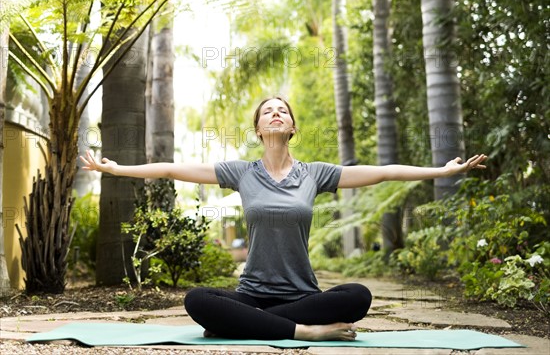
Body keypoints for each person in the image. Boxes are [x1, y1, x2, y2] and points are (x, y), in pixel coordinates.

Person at [81, 96, 487, 342]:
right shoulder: (241, 173)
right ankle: (301, 332)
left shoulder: (315, 173)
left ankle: (245, 326)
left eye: (282, 111)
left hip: (302, 296)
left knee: (358, 296)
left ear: (291, 126)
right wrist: (118, 171)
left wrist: (441, 172)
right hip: (254, 293)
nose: (275, 114)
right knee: (197, 300)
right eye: (267, 112)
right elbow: (172, 168)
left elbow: (382, 171)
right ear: (258, 128)